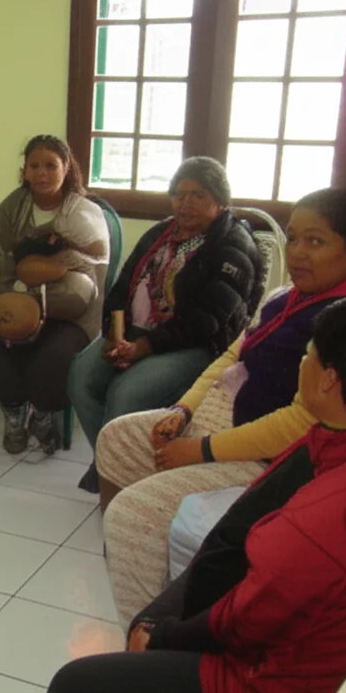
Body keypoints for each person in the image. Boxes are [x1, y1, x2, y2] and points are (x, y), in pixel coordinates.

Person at [46, 297, 346, 693]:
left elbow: (240, 625)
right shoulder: (340, 441)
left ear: (329, 381)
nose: (302, 364)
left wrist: (164, 635)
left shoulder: (322, 516)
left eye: (308, 356)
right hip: (288, 650)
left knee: (71, 691)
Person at [98, 187, 346, 628]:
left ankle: (151, 633)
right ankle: (149, 577)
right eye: (293, 239)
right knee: (117, 438)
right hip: (218, 418)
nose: (299, 253)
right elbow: (235, 352)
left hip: (265, 452)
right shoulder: (290, 294)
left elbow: (302, 424)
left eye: (316, 241)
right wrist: (184, 409)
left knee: (132, 515)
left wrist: (201, 450)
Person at [67, 157, 263, 491]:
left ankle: (117, 475)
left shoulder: (234, 246)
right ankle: (112, 461)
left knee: (126, 392)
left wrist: (145, 347)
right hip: (135, 334)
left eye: (198, 195)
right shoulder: (160, 233)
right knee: (81, 377)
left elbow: (207, 321)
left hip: (197, 345)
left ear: (220, 201)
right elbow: (121, 288)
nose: (185, 203)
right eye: (179, 194)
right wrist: (115, 336)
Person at [0, 135, 110, 454]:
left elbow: (93, 271)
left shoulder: (83, 213)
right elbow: (10, 271)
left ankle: (43, 414)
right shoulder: (8, 212)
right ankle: (14, 409)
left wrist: (47, 265)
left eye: (51, 165)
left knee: (54, 354)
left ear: (66, 170)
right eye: (34, 166)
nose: (42, 173)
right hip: (19, 297)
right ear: (24, 171)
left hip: (71, 308)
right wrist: (15, 300)